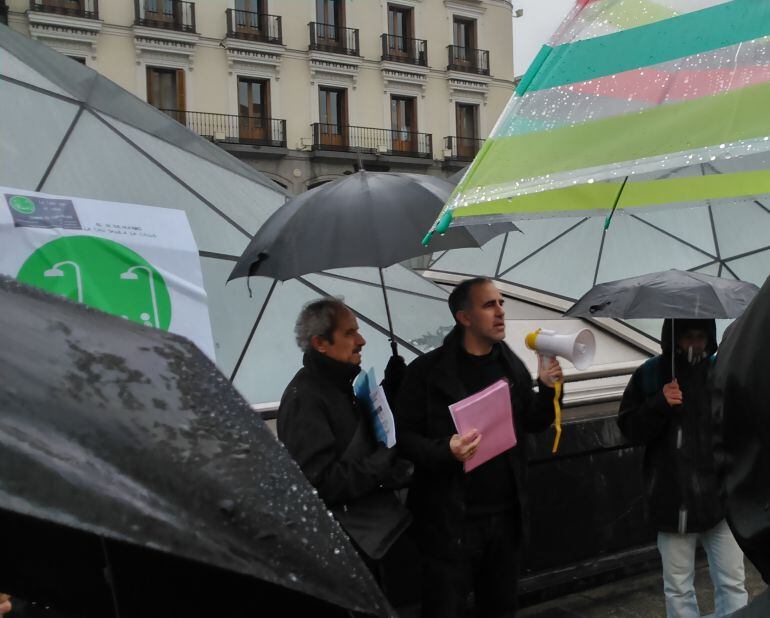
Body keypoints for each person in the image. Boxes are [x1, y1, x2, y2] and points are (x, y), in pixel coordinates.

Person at [395, 277, 562, 618]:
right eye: (489, 305)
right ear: (464, 317)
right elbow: (404, 437)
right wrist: (447, 451)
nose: (501, 312)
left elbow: (532, 422)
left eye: (501, 303)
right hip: (450, 521)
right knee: (444, 608)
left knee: (500, 607)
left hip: (505, 516)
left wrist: (547, 389)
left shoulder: (508, 363)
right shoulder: (426, 372)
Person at [617, 318, 748, 618]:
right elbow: (629, 428)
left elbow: (741, 426)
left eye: (702, 338)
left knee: (732, 582)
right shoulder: (650, 375)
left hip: (720, 501)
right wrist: (659, 404)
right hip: (671, 499)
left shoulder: (721, 371)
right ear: (674, 339)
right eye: (688, 338)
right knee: (678, 587)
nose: (696, 346)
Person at [277, 298, 413, 574]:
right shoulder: (306, 397)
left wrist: (391, 388)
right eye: (350, 333)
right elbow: (319, 482)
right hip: (345, 553)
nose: (361, 340)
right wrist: (380, 463)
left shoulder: (336, 386)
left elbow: (351, 436)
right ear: (320, 344)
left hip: (367, 542)